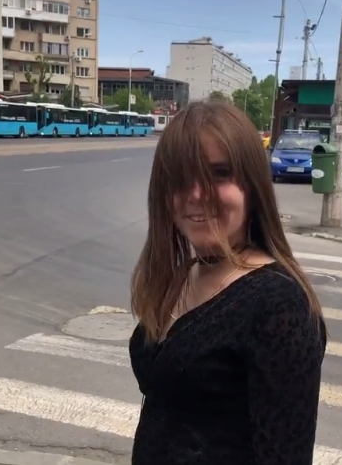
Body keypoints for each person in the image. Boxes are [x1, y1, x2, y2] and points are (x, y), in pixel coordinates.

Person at [129, 100, 327, 465]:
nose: (196, 194)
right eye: (180, 178)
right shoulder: (184, 274)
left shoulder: (280, 306)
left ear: (253, 186)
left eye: (219, 174)